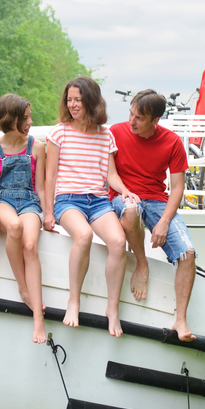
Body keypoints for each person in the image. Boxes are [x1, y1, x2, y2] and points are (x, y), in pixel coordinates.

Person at [44, 76, 136, 337]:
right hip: (67, 200)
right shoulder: (59, 132)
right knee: (83, 236)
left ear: (91, 101)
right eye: (69, 100)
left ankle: (112, 309)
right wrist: (49, 213)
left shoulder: (105, 136)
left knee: (118, 242)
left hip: (97, 201)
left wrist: (126, 191)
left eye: (78, 100)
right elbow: (50, 176)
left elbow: (111, 176)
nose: (72, 105)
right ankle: (74, 301)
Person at [110, 89, 196, 342]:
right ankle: (142, 264)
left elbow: (178, 187)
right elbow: (108, 173)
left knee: (188, 254)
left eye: (139, 118)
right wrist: (126, 192)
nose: (131, 121)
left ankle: (180, 319)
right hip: (123, 197)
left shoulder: (172, 141)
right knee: (131, 209)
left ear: (155, 120)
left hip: (157, 200)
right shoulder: (115, 132)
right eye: (131, 114)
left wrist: (164, 222)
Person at [0, 93, 48, 344]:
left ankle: (38, 320)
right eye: (26, 117)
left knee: (30, 245)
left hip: (29, 201)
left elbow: (41, 187)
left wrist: (50, 215)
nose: (31, 121)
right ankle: (23, 287)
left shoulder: (37, 146)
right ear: (11, 120)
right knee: (13, 227)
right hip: (2, 198)